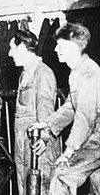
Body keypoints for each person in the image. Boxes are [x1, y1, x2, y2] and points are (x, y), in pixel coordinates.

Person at [30, 22, 100, 195]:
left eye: (60, 45)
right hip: (93, 136)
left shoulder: (88, 73)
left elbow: (85, 117)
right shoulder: (77, 71)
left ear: (74, 46)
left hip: (96, 138)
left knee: (62, 175)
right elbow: (70, 106)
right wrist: (47, 125)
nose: (55, 49)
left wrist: (68, 152)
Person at [8, 29, 61, 194]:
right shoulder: (25, 74)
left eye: (12, 48)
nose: (10, 54)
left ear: (23, 47)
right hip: (25, 148)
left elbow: (46, 110)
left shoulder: (42, 73)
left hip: (38, 149)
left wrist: (44, 138)